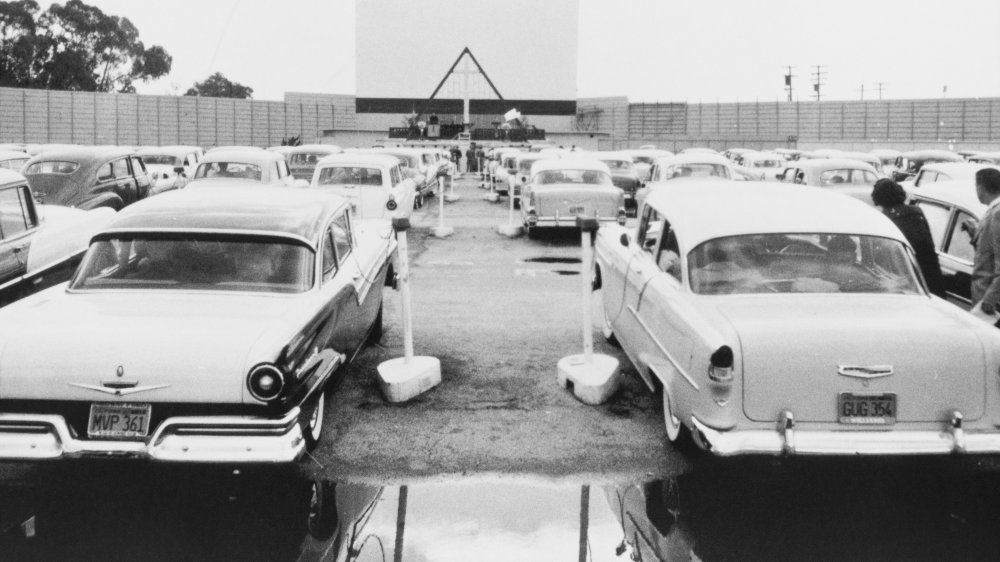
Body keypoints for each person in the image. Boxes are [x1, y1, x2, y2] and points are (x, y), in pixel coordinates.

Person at [870, 178, 946, 298]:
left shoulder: (884, 219)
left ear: (878, 198)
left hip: (901, 277)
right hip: (928, 272)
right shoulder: (916, 212)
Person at [972, 168, 1000, 315]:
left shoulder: (997, 213)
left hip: (988, 299)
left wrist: (990, 298)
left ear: (980, 187)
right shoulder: (994, 210)